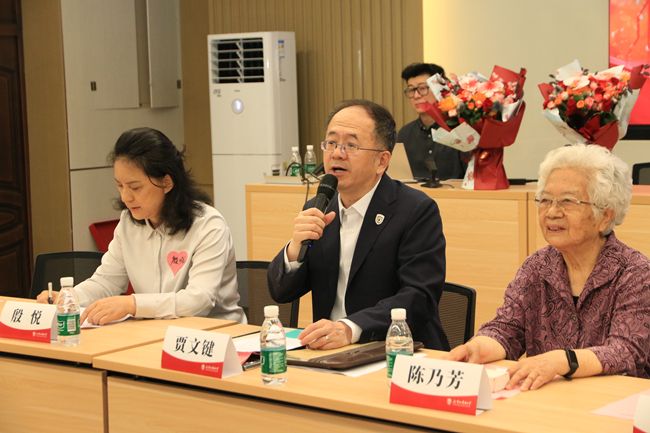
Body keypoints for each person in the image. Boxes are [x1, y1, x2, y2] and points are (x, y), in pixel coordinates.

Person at [447, 144, 650, 390]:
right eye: (545, 200)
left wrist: (561, 361)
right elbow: (507, 329)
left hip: (613, 401)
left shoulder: (636, 273)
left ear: (605, 216)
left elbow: (626, 352)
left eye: (567, 201)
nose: (552, 212)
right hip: (547, 399)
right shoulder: (537, 266)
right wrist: (477, 348)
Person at [267, 99, 449, 351]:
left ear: (381, 161)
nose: (337, 153)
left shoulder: (415, 210)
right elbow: (281, 292)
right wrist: (295, 248)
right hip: (331, 352)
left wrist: (349, 328)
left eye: (351, 145)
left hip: (397, 350)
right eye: (331, 143)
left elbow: (419, 297)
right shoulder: (320, 207)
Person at [37, 127, 246, 324]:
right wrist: (69, 297)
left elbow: (199, 300)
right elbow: (106, 281)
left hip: (217, 337)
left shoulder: (208, 226)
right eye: (120, 186)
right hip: (154, 333)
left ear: (167, 183)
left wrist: (133, 304)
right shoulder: (128, 223)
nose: (125, 197)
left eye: (135, 187)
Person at [398, 62, 467, 180]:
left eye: (422, 88)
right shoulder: (404, 134)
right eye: (411, 89)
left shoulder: (459, 130)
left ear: (440, 89)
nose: (416, 96)